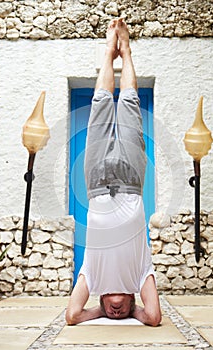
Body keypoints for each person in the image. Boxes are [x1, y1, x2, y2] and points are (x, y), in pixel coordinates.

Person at [66, 18, 162, 326]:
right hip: (132, 181)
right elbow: (154, 316)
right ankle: (127, 52)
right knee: (130, 105)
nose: (117, 309)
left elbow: (72, 316)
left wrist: (99, 311)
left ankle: (110, 52)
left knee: (100, 105)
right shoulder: (140, 274)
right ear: (134, 298)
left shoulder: (90, 277)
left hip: (95, 181)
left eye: (114, 310)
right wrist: (135, 311)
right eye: (122, 309)